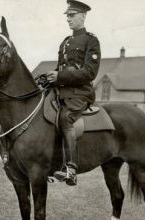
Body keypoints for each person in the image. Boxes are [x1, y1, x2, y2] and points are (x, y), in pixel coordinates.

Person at [46, 0, 101, 186]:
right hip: (60, 94)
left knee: (65, 118)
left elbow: (89, 72)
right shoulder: (65, 42)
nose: (68, 19)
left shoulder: (91, 40)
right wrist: (47, 78)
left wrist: (59, 76)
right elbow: (60, 68)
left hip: (80, 94)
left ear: (83, 16)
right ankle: (50, 165)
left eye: (72, 15)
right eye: (67, 15)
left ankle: (71, 168)